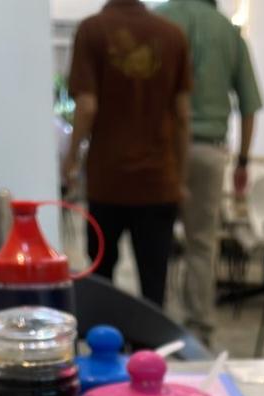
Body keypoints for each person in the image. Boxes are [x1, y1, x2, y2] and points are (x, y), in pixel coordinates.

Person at [63, 0, 192, 308]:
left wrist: (70, 160)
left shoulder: (92, 30)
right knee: (153, 284)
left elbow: (87, 106)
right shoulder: (173, 35)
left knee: (102, 280)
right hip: (159, 181)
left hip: (108, 180)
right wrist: (180, 178)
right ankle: (150, 353)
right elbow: (183, 115)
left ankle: (105, 349)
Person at [160, 0, 263, 344]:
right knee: (201, 244)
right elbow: (249, 106)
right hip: (208, 150)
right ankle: (198, 332)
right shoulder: (229, 34)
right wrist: (243, 161)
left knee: (154, 240)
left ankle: (152, 326)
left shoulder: (160, 19)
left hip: (161, 148)